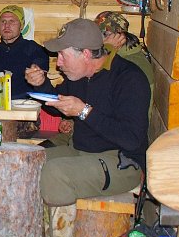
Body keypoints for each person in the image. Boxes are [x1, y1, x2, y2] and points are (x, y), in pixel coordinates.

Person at [23, 18, 150, 237]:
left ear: (85, 54)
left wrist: (85, 112)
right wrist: (43, 84)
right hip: (85, 152)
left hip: (123, 162)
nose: (58, 63)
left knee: (55, 172)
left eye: (63, 55)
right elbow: (62, 107)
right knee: (29, 159)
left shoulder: (129, 78)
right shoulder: (79, 77)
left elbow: (132, 138)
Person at [55, 11, 155, 140]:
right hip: (90, 131)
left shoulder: (132, 68)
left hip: (116, 142)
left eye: (104, 35)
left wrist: (82, 113)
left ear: (120, 36)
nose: (97, 40)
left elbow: (126, 121)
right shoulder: (97, 62)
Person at [0, 4, 49, 99]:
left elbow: (40, 87)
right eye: (3, 21)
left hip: (26, 108)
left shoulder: (36, 51)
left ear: (21, 26)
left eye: (12, 21)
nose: (7, 26)